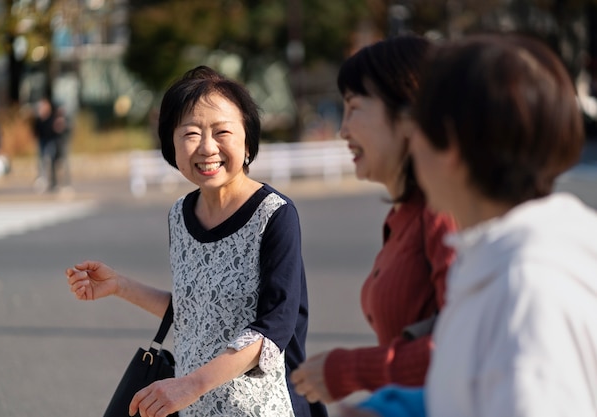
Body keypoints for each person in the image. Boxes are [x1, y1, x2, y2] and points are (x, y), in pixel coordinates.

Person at [354, 32, 597, 416]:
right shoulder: (500, 260)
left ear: (448, 143)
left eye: (416, 128)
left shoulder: (525, 287)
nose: (411, 147)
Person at [66, 66, 328, 417]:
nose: (207, 147)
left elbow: (273, 329)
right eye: (190, 133)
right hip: (195, 408)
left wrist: (189, 385)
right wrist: (120, 286)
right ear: (170, 143)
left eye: (222, 132)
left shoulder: (275, 215)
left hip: (263, 407)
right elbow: (197, 313)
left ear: (247, 139)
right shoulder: (179, 214)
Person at [291, 35, 457, 405]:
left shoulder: (443, 211)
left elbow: (465, 346)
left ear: (407, 114)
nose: (343, 130)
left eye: (353, 108)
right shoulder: (404, 214)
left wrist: (348, 370)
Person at [32, 97, 67, 192]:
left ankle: (54, 182)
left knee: (51, 161)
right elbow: (36, 130)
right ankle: (43, 181)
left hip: (51, 141)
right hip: (42, 141)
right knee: (42, 162)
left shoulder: (52, 118)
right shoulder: (39, 119)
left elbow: (56, 130)